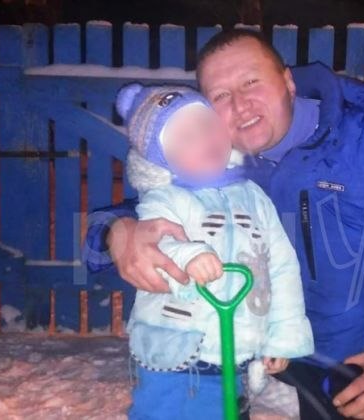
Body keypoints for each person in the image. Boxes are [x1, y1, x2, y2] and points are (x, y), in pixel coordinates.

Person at [84, 29, 364, 420]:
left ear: (288, 82)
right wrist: (116, 233)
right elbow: (148, 213)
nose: (240, 105)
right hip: (294, 357)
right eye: (220, 96)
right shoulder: (227, 169)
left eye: (252, 82)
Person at [115, 83, 313, 419]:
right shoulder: (165, 199)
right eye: (186, 138)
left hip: (235, 352)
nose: (204, 138)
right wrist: (189, 255)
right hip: (178, 353)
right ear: (161, 159)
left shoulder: (253, 196)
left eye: (207, 124)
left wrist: (282, 337)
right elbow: (155, 244)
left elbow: (281, 267)